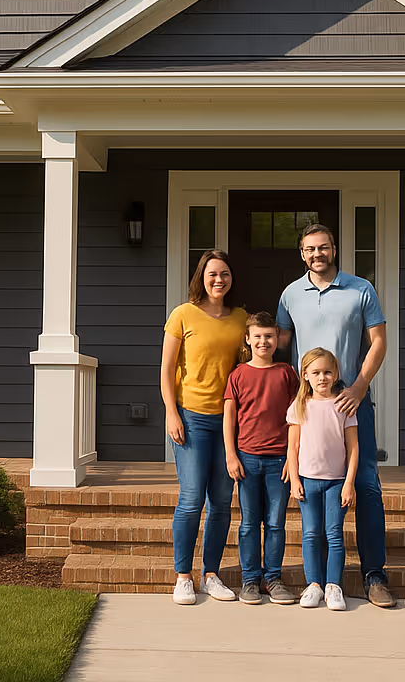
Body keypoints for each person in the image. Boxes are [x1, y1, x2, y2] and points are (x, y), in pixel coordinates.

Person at [276, 221, 395, 607]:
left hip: (350, 402)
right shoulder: (290, 294)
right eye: (310, 249)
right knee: (309, 486)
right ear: (302, 253)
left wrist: (359, 387)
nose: (317, 254)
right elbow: (277, 345)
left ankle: (374, 575)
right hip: (308, 407)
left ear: (334, 249)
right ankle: (319, 580)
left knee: (367, 486)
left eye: (323, 247)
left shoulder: (361, 289)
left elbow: (379, 342)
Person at [161, 248, 247, 605]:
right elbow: (167, 370)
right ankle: (183, 576)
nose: (219, 279)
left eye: (225, 274)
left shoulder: (240, 317)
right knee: (192, 498)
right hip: (192, 417)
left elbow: (247, 366)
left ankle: (211, 573)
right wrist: (171, 412)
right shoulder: (183, 314)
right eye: (213, 273)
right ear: (202, 276)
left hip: (229, 420)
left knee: (223, 501)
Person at [222, 311, 301, 605]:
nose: (263, 341)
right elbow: (229, 417)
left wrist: (292, 460)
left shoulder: (286, 373)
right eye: (258, 336)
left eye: (268, 336)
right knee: (249, 523)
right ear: (248, 339)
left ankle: (273, 578)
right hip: (247, 459)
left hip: (279, 462)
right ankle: (250, 580)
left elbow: (297, 418)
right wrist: (231, 455)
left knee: (276, 523)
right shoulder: (238, 374)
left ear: (277, 339)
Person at [286, 346, 359, 611]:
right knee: (311, 533)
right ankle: (314, 585)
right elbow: (292, 448)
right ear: (305, 375)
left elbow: (353, 448)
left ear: (336, 373)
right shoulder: (299, 406)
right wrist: (294, 479)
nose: (322, 377)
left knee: (334, 534)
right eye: (316, 372)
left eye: (328, 372)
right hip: (308, 481)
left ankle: (333, 586)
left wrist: (349, 482)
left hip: (336, 482)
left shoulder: (344, 406)